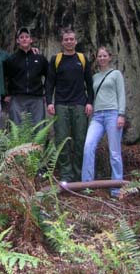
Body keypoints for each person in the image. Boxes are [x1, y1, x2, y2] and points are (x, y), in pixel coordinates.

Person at [45, 28, 94, 182]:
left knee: (80, 139)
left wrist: (89, 102)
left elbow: (89, 83)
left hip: (80, 104)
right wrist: (49, 102)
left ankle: (78, 173)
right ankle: (66, 174)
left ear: (75, 41)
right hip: (61, 104)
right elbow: (49, 83)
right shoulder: (56, 59)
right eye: (66, 39)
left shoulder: (82, 58)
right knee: (61, 140)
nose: (69, 42)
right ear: (62, 42)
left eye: (71, 39)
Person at [81, 46, 126, 197]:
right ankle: (87, 185)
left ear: (109, 57)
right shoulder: (94, 77)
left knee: (114, 152)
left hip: (113, 114)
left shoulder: (116, 74)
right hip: (97, 116)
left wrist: (121, 114)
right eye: (99, 56)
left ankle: (116, 188)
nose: (101, 58)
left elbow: (121, 94)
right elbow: (91, 96)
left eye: (104, 55)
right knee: (88, 146)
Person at [4, 27, 49, 125]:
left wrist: (46, 93)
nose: (24, 39)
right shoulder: (11, 59)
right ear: (17, 41)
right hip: (17, 98)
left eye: (27, 37)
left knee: (38, 128)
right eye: (21, 37)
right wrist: (7, 94)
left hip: (36, 98)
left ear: (31, 40)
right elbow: (5, 77)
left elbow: (49, 76)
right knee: (17, 129)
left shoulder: (40, 58)